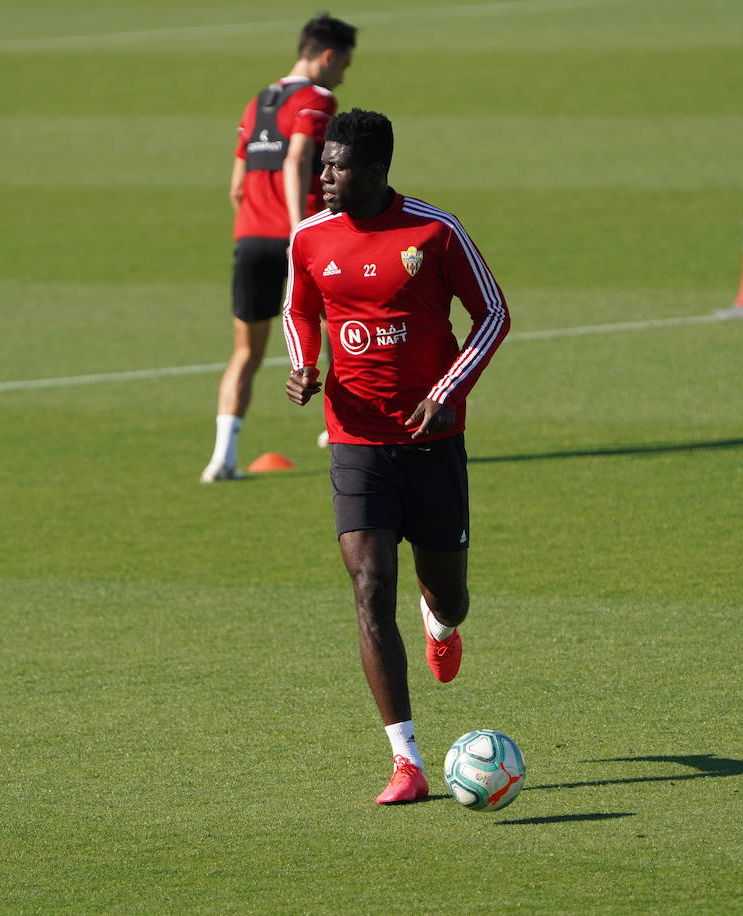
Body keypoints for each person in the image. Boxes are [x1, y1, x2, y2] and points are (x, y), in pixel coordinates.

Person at [282, 109, 511, 804]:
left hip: (433, 443)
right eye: (322, 163)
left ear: (376, 170)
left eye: (336, 166)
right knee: (369, 586)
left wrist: (446, 391)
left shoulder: (435, 231)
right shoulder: (309, 237)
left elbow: (494, 313)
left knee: (452, 595)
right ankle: (405, 760)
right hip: (356, 441)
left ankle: (439, 622)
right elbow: (299, 310)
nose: (321, 176)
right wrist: (303, 363)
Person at [202, 14, 357, 483]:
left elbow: (235, 187)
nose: (344, 76)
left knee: (245, 352)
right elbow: (297, 161)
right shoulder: (319, 100)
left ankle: (222, 457)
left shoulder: (258, 102)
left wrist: (255, 227)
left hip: (249, 238)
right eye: (344, 65)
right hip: (300, 239)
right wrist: (297, 233)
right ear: (327, 56)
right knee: (340, 329)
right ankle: (341, 434)